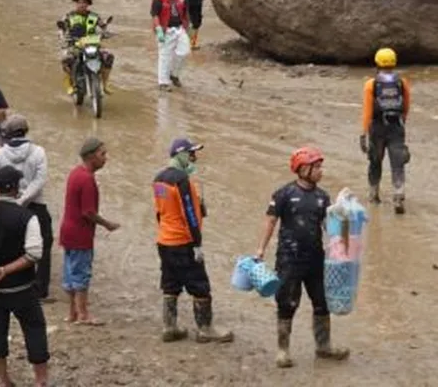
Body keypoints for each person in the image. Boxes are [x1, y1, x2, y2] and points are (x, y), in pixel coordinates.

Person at [254, 147, 349, 369]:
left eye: (320, 167)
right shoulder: (284, 194)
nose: (320, 171)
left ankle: (323, 346)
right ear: (303, 169)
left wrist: (341, 244)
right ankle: (283, 350)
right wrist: (260, 249)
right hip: (289, 259)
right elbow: (270, 222)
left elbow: (328, 227)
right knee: (287, 303)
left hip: (316, 259)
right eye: (316, 167)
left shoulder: (322, 197)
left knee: (322, 302)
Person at [0, 165, 51, 387]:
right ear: (16, 190)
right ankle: (40, 380)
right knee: (34, 329)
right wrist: (6, 270)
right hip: (22, 287)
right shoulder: (27, 217)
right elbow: (34, 254)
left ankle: (5, 381)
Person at [153, 138, 233, 343]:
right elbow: (189, 213)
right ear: (181, 154)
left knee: (170, 284)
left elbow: (160, 212)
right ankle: (205, 329)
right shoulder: (182, 180)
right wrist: (197, 243)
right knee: (200, 285)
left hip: (165, 240)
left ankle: (169, 327)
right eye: (191, 154)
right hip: (183, 241)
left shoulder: (159, 178)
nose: (194, 157)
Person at [60, 137, 119, 325]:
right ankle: (83, 314)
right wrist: (107, 224)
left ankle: (73, 312)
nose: (105, 158)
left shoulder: (75, 173)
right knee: (81, 274)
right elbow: (88, 212)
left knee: (70, 273)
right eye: (103, 154)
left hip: (67, 231)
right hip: (80, 235)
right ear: (92, 157)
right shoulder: (87, 179)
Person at [0, 116, 53, 301]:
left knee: (13, 245)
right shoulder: (38, 152)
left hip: (9, 203)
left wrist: (15, 199)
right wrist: (26, 197)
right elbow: (40, 180)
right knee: (43, 245)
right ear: (26, 130)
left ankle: (16, 282)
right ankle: (41, 288)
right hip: (36, 205)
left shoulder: (0, 154)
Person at [360, 48, 410, 213]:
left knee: (375, 162)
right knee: (398, 163)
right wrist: (402, 122)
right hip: (396, 126)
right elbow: (406, 105)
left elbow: (367, 112)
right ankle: (398, 194)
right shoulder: (402, 82)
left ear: (377, 63)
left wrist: (363, 133)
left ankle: (374, 195)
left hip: (377, 127)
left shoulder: (371, 84)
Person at [58, 0, 114, 96]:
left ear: (88, 4)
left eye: (84, 2)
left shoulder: (94, 16)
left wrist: (107, 31)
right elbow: (61, 28)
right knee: (66, 60)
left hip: (92, 43)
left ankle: (105, 85)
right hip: (74, 44)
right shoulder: (69, 16)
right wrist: (62, 36)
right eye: (79, 2)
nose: (82, 4)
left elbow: (103, 26)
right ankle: (70, 84)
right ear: (76, 4)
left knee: (108, 57)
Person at [152, 0, 192, 91]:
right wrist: (158, 30)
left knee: (184, 51)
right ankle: (163, 82)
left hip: (179, 28)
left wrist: (188, 24)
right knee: (164, 56)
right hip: (166, 30)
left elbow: (185, 10)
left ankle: (173, 74)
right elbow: (155, 15)